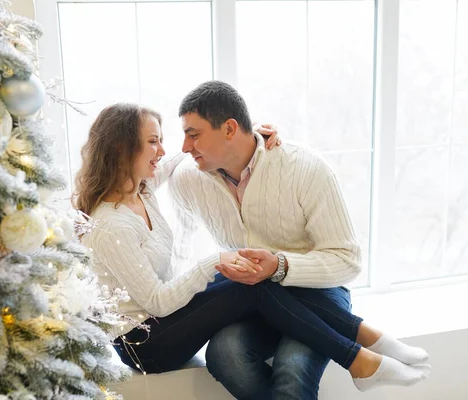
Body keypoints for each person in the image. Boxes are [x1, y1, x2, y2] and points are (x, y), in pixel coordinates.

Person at [74, 102, 430, 395]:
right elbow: (156, 302)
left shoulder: (143, 186)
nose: (165, 150)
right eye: (153, 141)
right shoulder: (109, 225)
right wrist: (214, 262)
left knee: (254, 273)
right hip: (147, 344)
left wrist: (248, 137)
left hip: (166, 320)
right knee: (249, 275)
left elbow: (190, 155)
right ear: (122, 148)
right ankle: (363, 352)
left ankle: (364, 357)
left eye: (163, 139)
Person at [168, 80, 419, 399]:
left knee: (293, 368)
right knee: (225, 355)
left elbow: (347, 260)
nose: (185, 146)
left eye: (194, 134)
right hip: (251, 297)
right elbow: (180, 247)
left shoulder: (305, 168)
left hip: (318, 295)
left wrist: (280, 266)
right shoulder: (188, 178)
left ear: (230, 129)